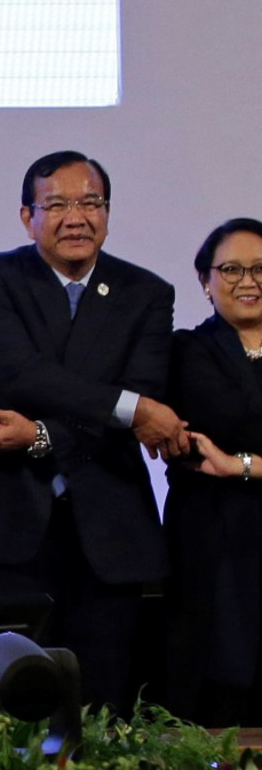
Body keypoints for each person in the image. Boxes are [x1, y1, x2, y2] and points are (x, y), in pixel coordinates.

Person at [0, 150, 182, 713]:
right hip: (15, 525)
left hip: (111, 526)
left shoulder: (147, 293)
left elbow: (145, 391)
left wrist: (43, 435)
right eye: (56, 204)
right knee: (14, 703)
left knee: (105, 705)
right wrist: (128, 408)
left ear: (108, 213)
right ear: (26, 217)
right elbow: (18, 375)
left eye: (90, 202)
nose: (75, 216)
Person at [162, 217, 262, 727]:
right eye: (231, 269)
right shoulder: (186, 351)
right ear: (205, 280)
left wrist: (243, 464)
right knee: (223, 688)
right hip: (215, 545)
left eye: (261, 269)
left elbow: (240, 437)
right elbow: (227, 419)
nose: (249, 281)